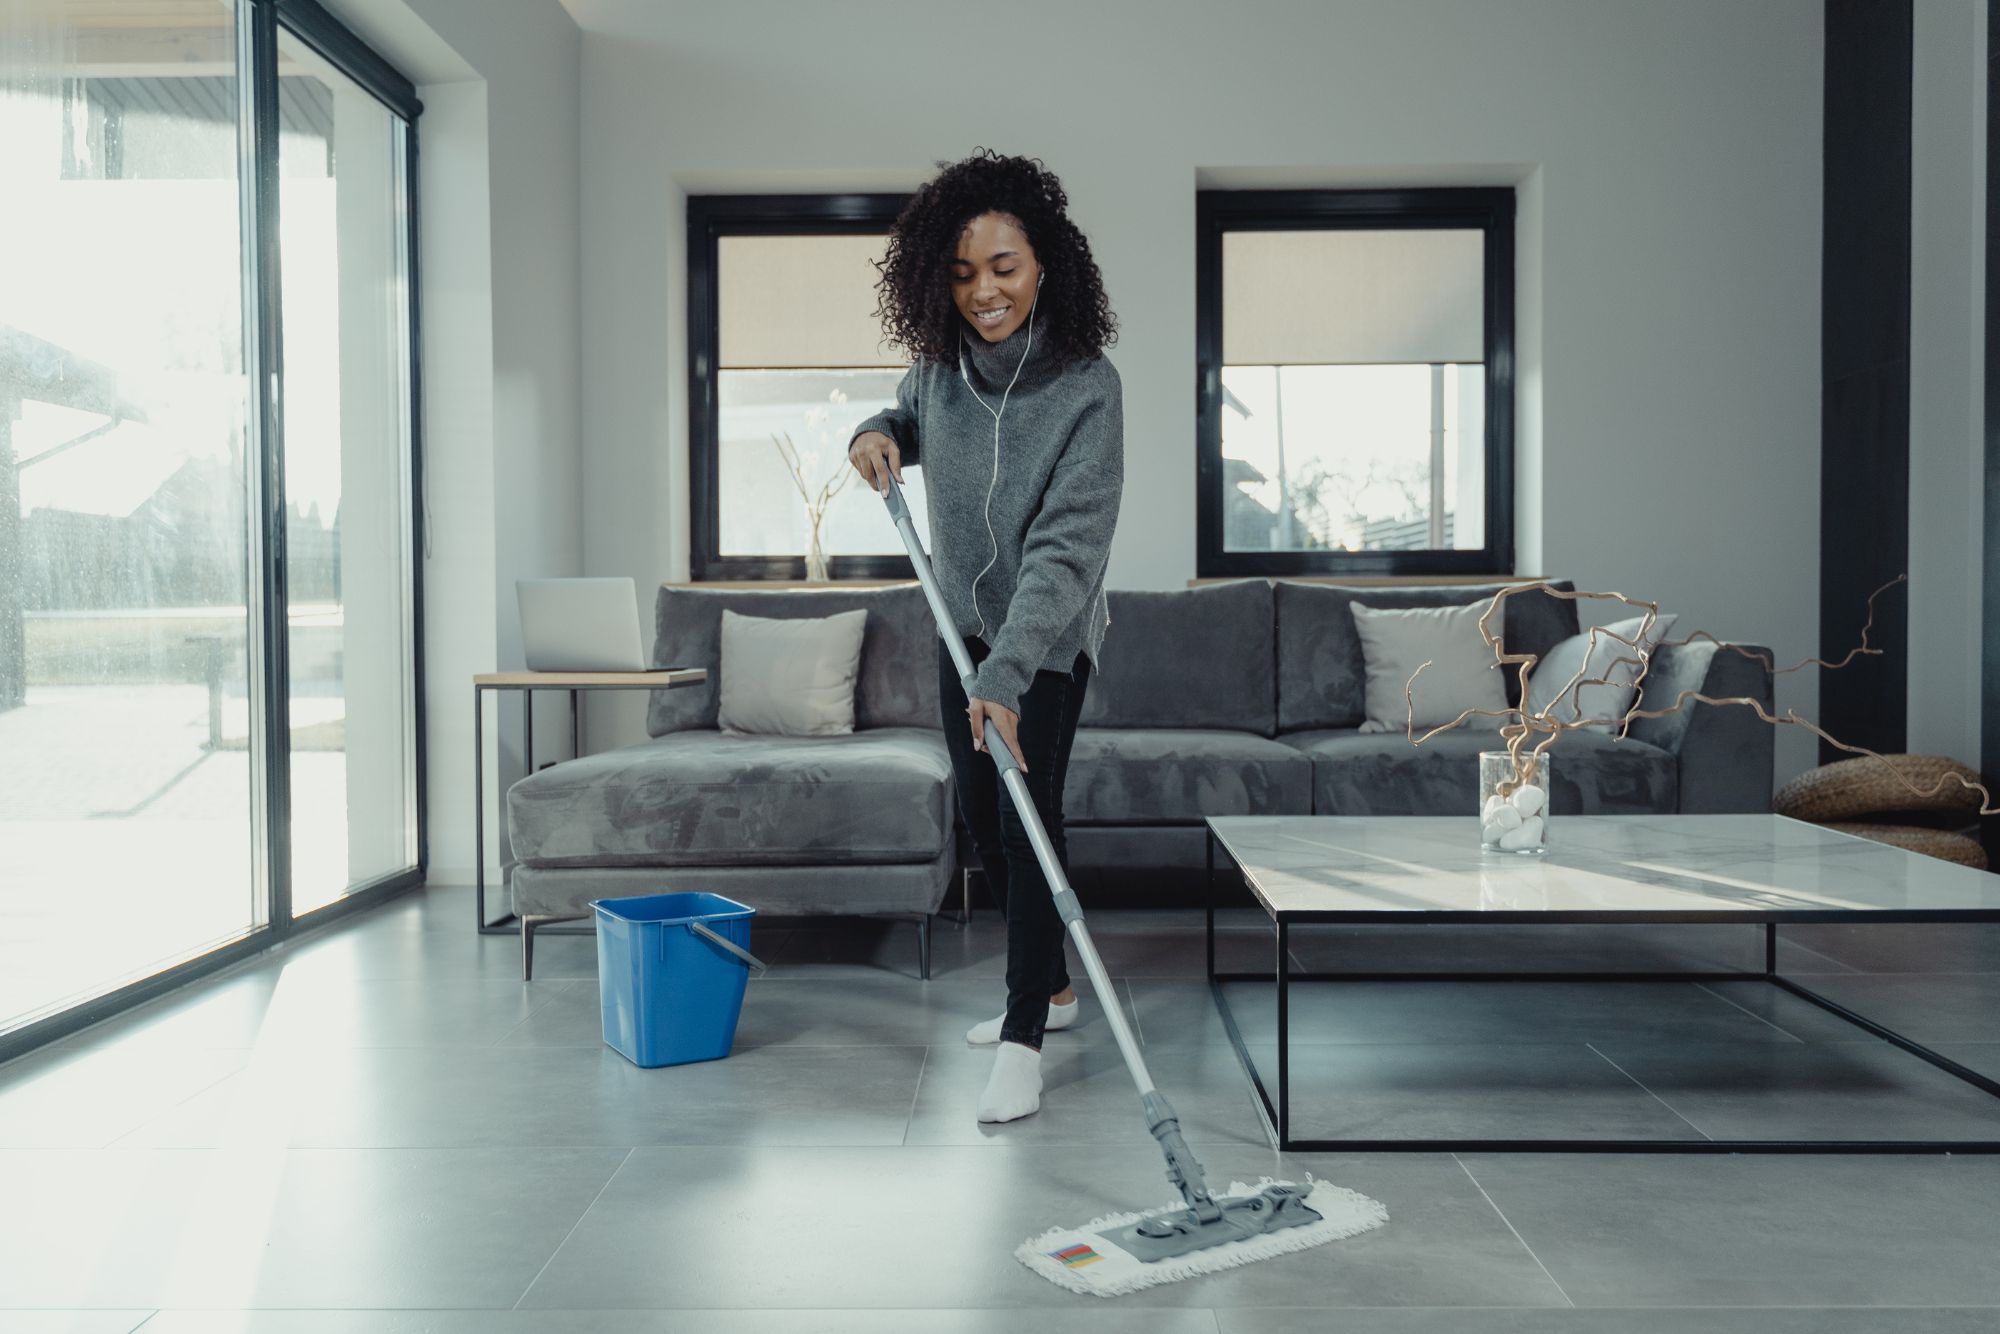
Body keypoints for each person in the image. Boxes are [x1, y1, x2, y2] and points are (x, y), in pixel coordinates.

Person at [847, 148, 1123, 1124]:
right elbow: (906, 419)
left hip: (1042, 639)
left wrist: (1007, 671)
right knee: (979, 812)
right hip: (961, 631)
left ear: (1043, 263)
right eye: (961, 273)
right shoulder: (937, 369)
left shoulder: (1086, 385)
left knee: (1025, 811)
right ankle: (1051, 983)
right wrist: (876, 432)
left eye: (1002, 267)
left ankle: (1021, 1036)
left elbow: (1064, 550)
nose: (984, 291)